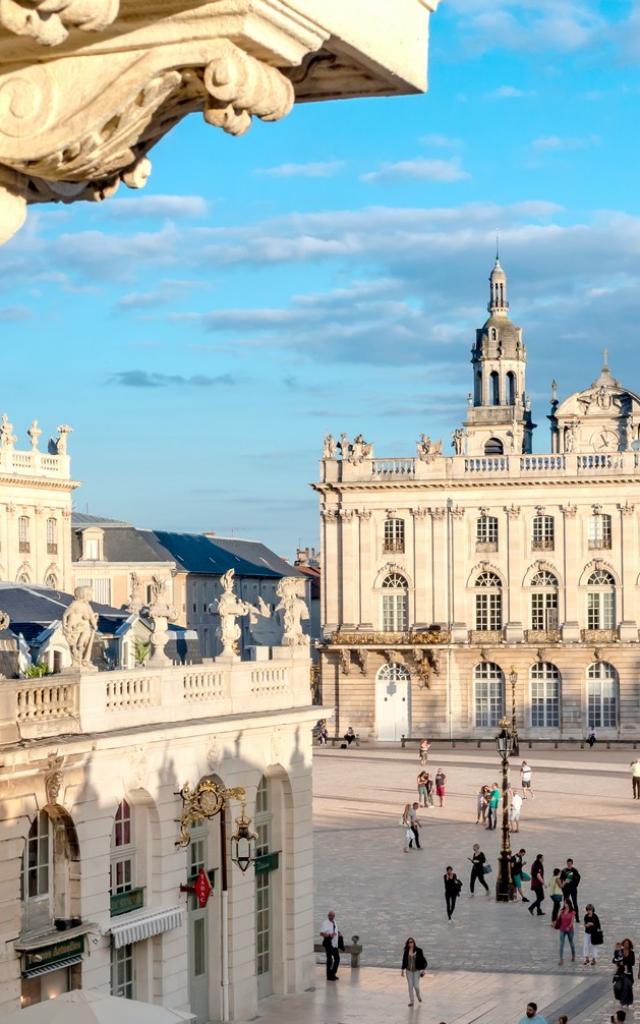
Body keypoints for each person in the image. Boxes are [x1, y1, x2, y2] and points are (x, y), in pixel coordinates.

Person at [400, 936, 427, 1007]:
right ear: (408, 944)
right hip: (408, 971)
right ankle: (411, 1001)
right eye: (409, 942)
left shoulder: (419, 951)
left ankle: (418, 996)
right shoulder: (406, 951)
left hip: (416, 971)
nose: (410, 943)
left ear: (414, 943)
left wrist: (423, 970)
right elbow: (404, 961)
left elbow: (424, 961)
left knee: (416, 986)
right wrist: (402, 970)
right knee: (410, 986)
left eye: (412, 942)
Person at [613, 938, 635, 1007]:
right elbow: (614, 960)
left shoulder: (631, 953)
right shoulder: (620, 951)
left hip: (628, 973)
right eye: (625, 943)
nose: (626, 945)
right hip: (620, 972)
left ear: (629, 945)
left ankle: (626, 1002)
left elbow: (632, 963)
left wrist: (624, 961)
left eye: (627, 944)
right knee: (619, 986)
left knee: (627, 987)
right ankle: (621, 999)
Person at [320, 910, 340, 980]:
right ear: (328, 916)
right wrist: (329, 935)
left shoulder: (335, 922)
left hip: (334, 943)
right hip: (328, 942)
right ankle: (329, 976)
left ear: (334, 916)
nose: (331, 917)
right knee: (330, 959)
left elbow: (335, 930)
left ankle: (333, 973)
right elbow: (321, 933)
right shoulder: (325, 923)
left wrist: (339, 933)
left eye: (332, 916)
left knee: (337, 958)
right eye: (330, 915)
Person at [556, 898, 576, 965]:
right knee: (561, 944)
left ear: (569, 904)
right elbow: (559, 919)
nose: (565, 904)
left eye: (566, 903)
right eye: (564, 903)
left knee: (571, 943)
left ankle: (573, 955)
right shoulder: (562, 911)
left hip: (570, 930)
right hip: (562, 929)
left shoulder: (572, 912)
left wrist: (569, 927)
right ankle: (561, 959)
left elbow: (572, 921)